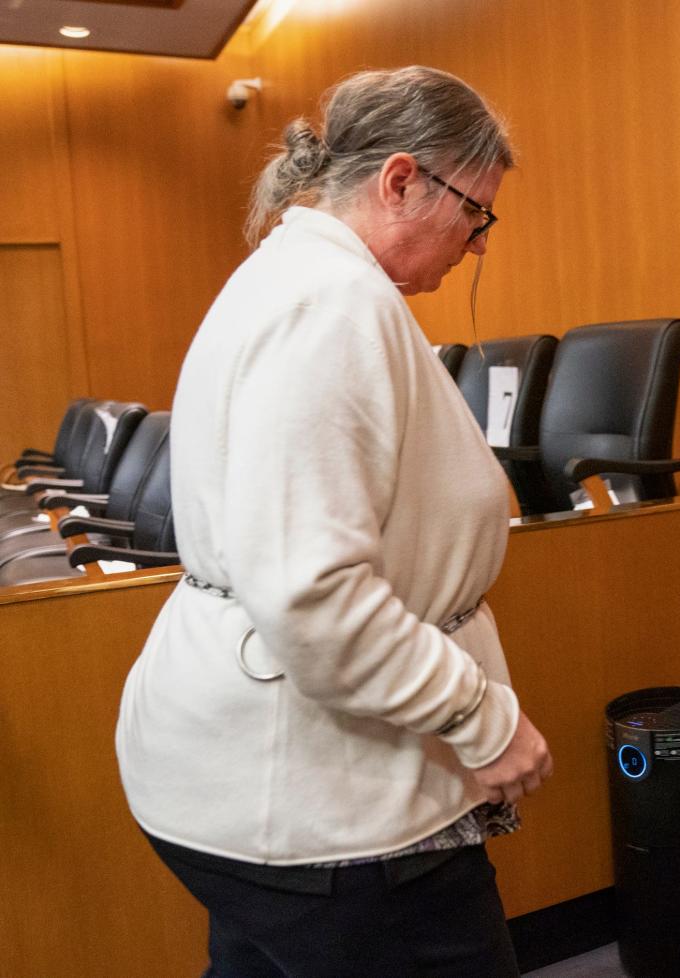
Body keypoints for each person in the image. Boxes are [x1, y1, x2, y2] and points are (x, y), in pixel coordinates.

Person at [116, 66, 552, 977]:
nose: (477, 244)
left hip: (264, 785)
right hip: (327, 807)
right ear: (400, 182)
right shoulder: (331, 307)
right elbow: (313, 596)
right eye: (476, 213)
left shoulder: (297, 281)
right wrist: (483, 717)